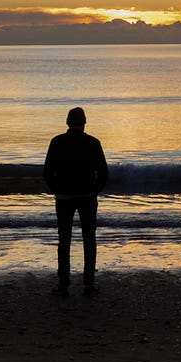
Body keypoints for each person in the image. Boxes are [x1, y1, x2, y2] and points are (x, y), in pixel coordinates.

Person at [43, 106, 108, 296]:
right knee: (89, 239)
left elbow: (47, 172)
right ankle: (88, 284)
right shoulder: (93, 143)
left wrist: (56, 189)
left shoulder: (57, 142)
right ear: (85, 122)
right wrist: (95, 191)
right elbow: (103, 172)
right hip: (87, 196)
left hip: (64, 197)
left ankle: (64, 284)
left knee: (64, 240)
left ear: (67, 122)